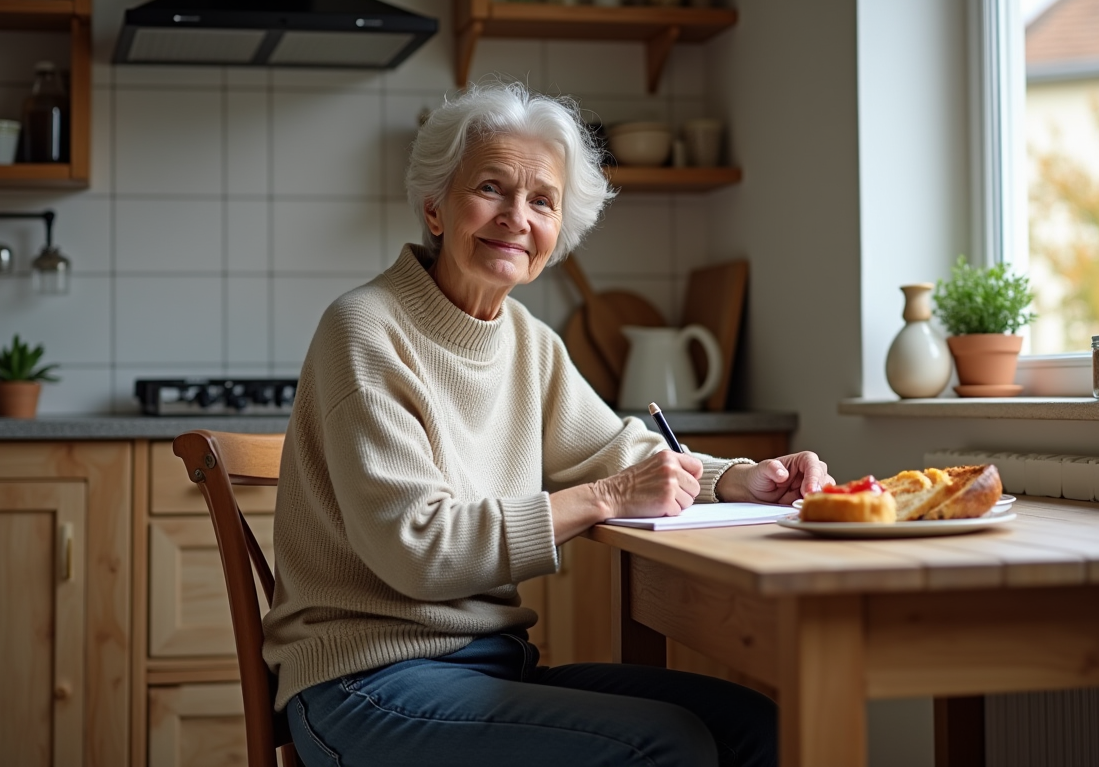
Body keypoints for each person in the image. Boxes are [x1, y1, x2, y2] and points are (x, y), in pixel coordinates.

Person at [263, 82, 833, 767]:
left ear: (559, 231)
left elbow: (616, 452)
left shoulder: (527, 340)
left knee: (754, 725)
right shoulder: (366, 328)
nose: (515, 216)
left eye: (542, 201)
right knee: (668, 748)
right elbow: (418, 549)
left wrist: (742, 479)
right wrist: (607, 499)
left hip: (493, 666)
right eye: (491, 189)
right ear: (434, 208)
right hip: (364, 684)